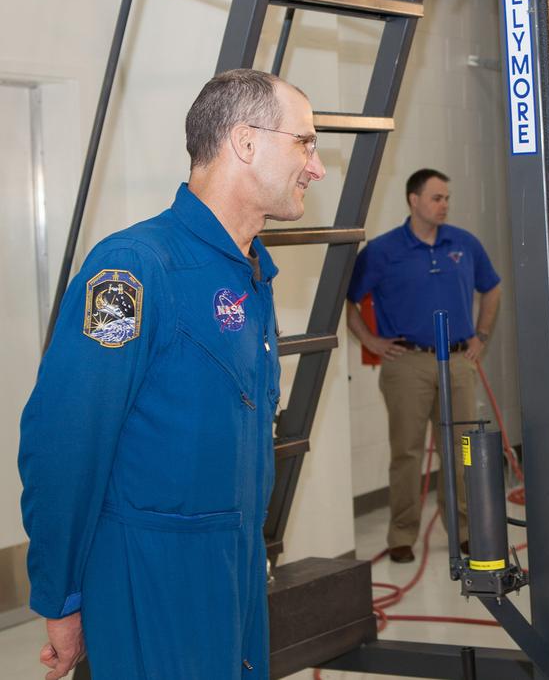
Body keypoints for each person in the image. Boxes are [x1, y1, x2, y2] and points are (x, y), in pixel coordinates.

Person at [19, 69, 326, 679]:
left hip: (234, 571)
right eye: (305, 143)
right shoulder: (133, 270)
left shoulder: (250, 273)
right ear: (246, 142)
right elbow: (66, 444)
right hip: (150, 580)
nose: (315, 168)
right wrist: (61, 595)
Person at [345, 169, 501, 563]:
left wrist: (481, 336)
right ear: (413, 200)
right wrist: (371, 342)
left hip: (458, 362)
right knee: (407, 452)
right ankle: (402, 535)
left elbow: (492, 287)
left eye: (447, 198)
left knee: (462, 450)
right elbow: (348, 300)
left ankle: (464, 531)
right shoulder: (382, 251)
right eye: (436, 198)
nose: (444, 205)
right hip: (407, 364)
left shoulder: (464, 244)